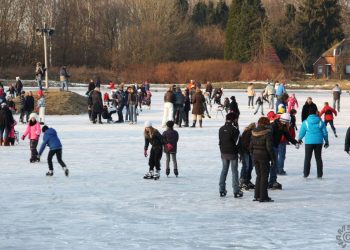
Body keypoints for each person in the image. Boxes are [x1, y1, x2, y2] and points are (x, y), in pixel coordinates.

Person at [298, 105, 328, 178]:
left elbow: (302, 132)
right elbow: (325, 132)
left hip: (309, 142)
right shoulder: (320, 122)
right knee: (318, 158)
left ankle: (305, 174)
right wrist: (326, 141)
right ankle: (319, 174)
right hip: (319, 142)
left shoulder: (305, 122)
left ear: (309, 113)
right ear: (316, 112)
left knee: (307, 158)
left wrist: (299, 139)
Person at [269, 113, 299, 187]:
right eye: (288, 122)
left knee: (274, 164)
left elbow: (288, 136)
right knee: (270, 164)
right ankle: (267, 181)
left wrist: (295, 142)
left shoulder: (283, 126)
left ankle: (272, 181)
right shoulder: (273, 126)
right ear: (285, 121)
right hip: (269, 147)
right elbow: (268, 137)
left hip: (275, 147)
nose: (289, 124)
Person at [250, 117, 275, 202]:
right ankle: (263, 197)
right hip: (264, 157)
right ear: (266, 124)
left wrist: (253, 155)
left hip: (255, 156)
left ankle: (257, 195)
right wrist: (273, 159)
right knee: (264, 176)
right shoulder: (267, 133)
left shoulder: (253, 132)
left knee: (259, 175)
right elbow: (269, 148)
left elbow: (250, 147)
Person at [218, 112, 243, 198]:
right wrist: (240, 154)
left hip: (223, 152)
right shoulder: (235, 130)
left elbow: (220, 141)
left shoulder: (221, 129)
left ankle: (222, 189)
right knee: (234, 171)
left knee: (224, 170)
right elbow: (238, 143)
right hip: (232, 153)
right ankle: (236, 190)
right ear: (234, 119)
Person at [239, 123, 256, 191]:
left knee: (250, 166)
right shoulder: (249, 133)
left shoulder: (250, 132)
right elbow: (245, 144)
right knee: (246, 166)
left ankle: (247, 180)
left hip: (248, 151)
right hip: (245, 151)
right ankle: (242, 181)